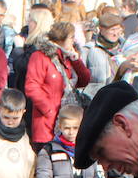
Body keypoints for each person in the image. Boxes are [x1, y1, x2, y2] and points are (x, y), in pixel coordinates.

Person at [25, 21, 91, 151]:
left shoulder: (68, 58)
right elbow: (32, 87)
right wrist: (49, 110)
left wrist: (76, 61)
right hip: (47, 125)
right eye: (71, 37)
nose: (74, 41)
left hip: (68, 124)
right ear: (61, 39)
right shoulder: (40, 57)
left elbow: (84, 80)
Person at [82, 10, 124, 98]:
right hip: (96, 98)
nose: (115, 33)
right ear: (101, 30)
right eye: (112, 30)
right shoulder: (89, 49)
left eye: (118, 29)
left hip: (120, 97)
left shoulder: (125, 48)